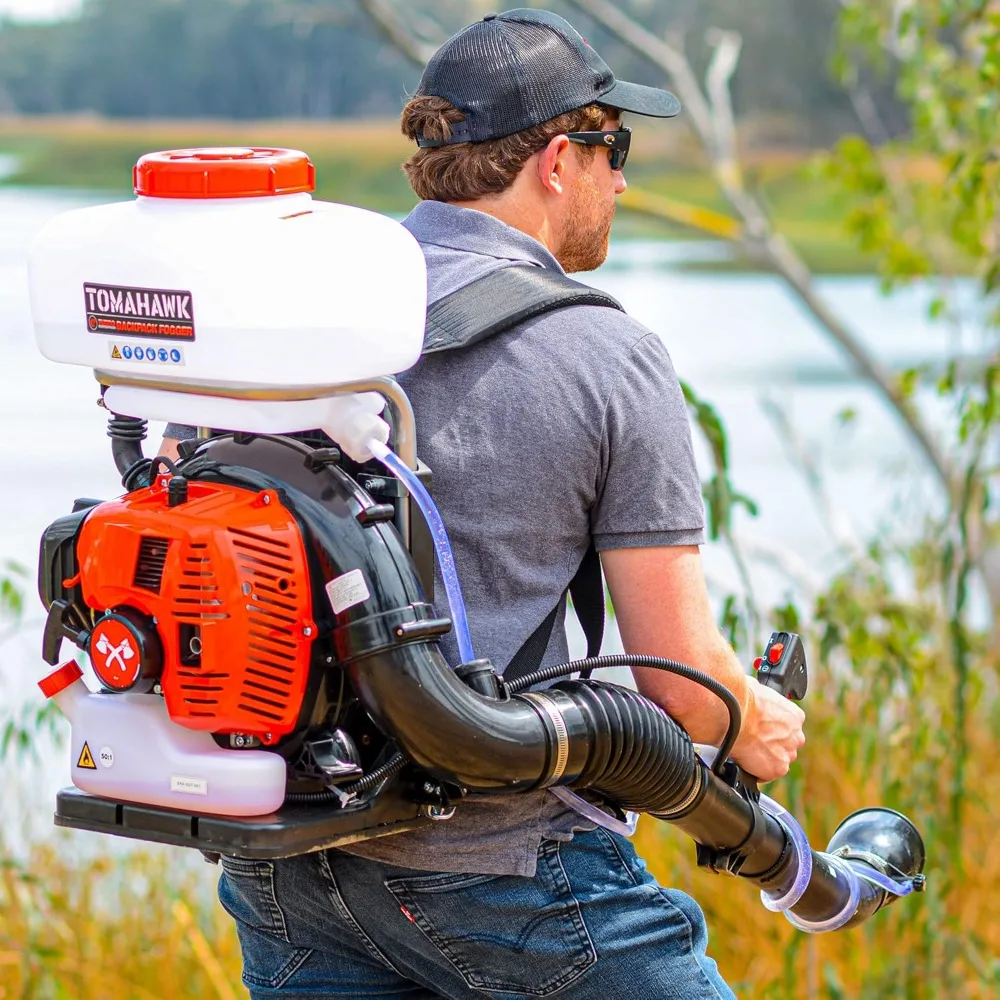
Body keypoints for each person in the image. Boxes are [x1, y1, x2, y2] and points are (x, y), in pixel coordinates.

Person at [162, 9, 805, 998]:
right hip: (515, 876)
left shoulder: (298, 319)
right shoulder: (605, 355)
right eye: (613, 148)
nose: (622, 180)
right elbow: (682, 688)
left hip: (290, 866)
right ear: (557, 158)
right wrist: (757, 720)